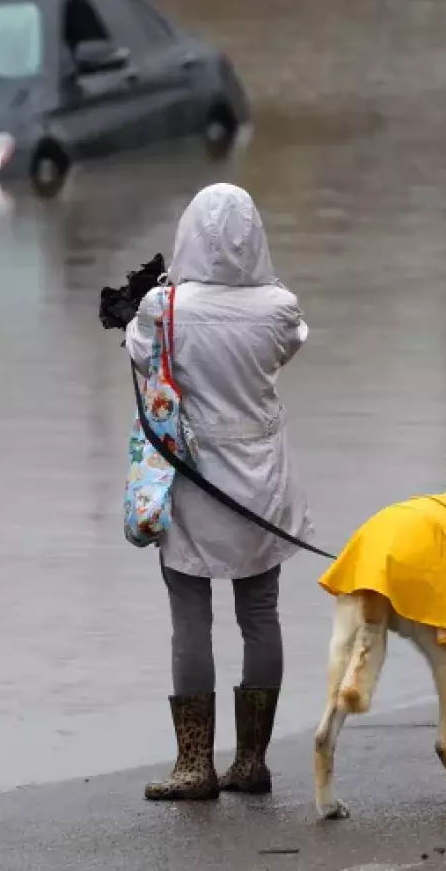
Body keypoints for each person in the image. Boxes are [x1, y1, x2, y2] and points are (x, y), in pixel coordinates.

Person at [124, 182, 311, 801]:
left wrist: (145, 305)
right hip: (263, 482)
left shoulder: (165, 308)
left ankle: (194, 765)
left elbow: (141, 356)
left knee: (190, 620)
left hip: (194, 477)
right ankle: (252, 760)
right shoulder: (280, 306)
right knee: (260, 614)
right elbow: (289, 347)